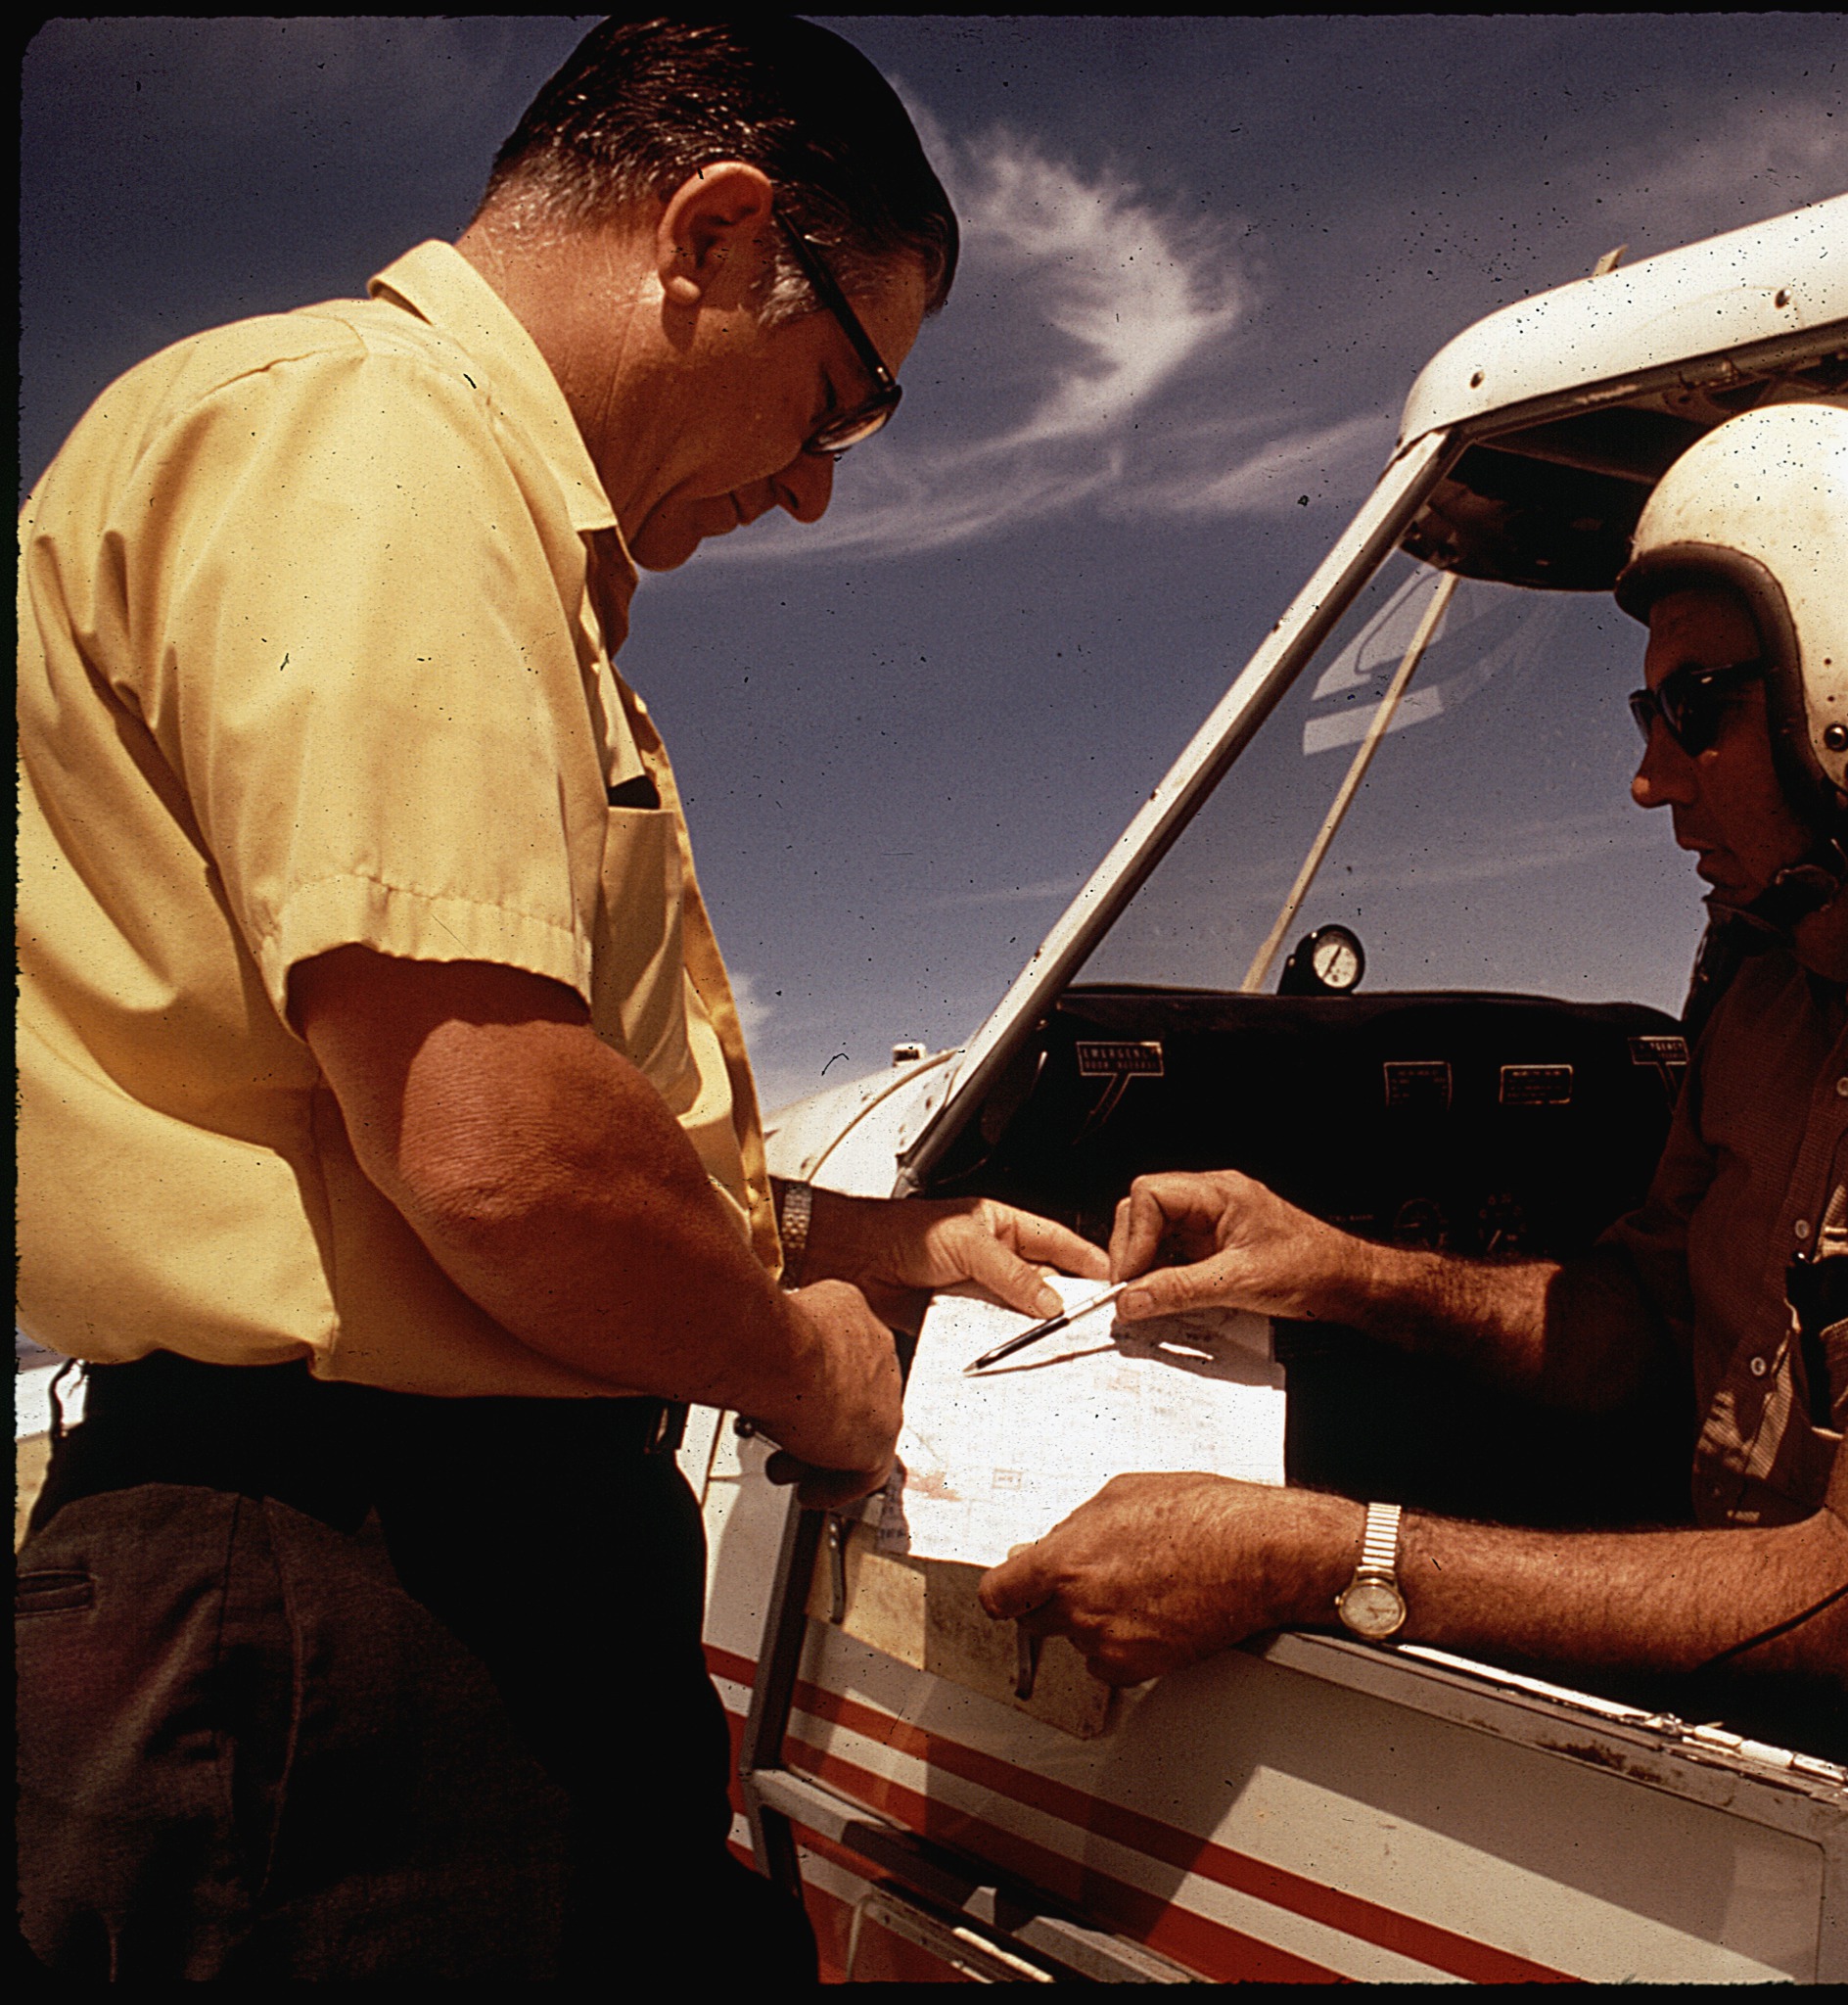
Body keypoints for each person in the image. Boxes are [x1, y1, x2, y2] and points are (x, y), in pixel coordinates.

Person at [15, 17, 1104, 1981]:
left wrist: (875, 1234)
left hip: (330, 1612)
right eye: (846, 399)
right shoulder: (382, 444)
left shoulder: (392, 484)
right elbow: (497, 1155)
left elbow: (411, 1135)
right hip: (351, 1621)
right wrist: (806, 1356)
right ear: (712, 232)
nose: (817, 493)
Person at [977, 395, 1848, 1778]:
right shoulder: (1778, 973)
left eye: (1696, 711)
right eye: (1651, 711)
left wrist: (1332, 1557)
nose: (1647, 780)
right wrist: (1339, 1269)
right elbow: (1636, 1332)